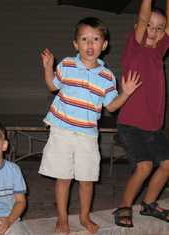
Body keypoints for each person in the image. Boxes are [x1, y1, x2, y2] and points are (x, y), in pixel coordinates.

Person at [38, 17, 142, 235]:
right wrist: (49, 68)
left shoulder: (106, 77)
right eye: (84, 39)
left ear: (104, 45)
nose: (90, 44)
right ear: (76, 44)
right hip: (62, 130)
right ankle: (62, 217)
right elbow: (52, 86)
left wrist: (126, 93)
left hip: (87, 135)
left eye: (95, 39)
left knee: (87, 179)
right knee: (63, 177)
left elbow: (111, 107)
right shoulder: (66, 64)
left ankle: (84, 216)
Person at [112, 0, 169, 228]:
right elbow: (144, 18)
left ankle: (149, 204)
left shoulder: (160, 50)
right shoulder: (134, 49)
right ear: (139, 26)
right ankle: (124, 206)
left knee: (167, 165)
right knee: (144, 167)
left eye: (159, 27)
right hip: (131, 124)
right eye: (149, 26)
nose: (153, 31)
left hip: (154, 127)